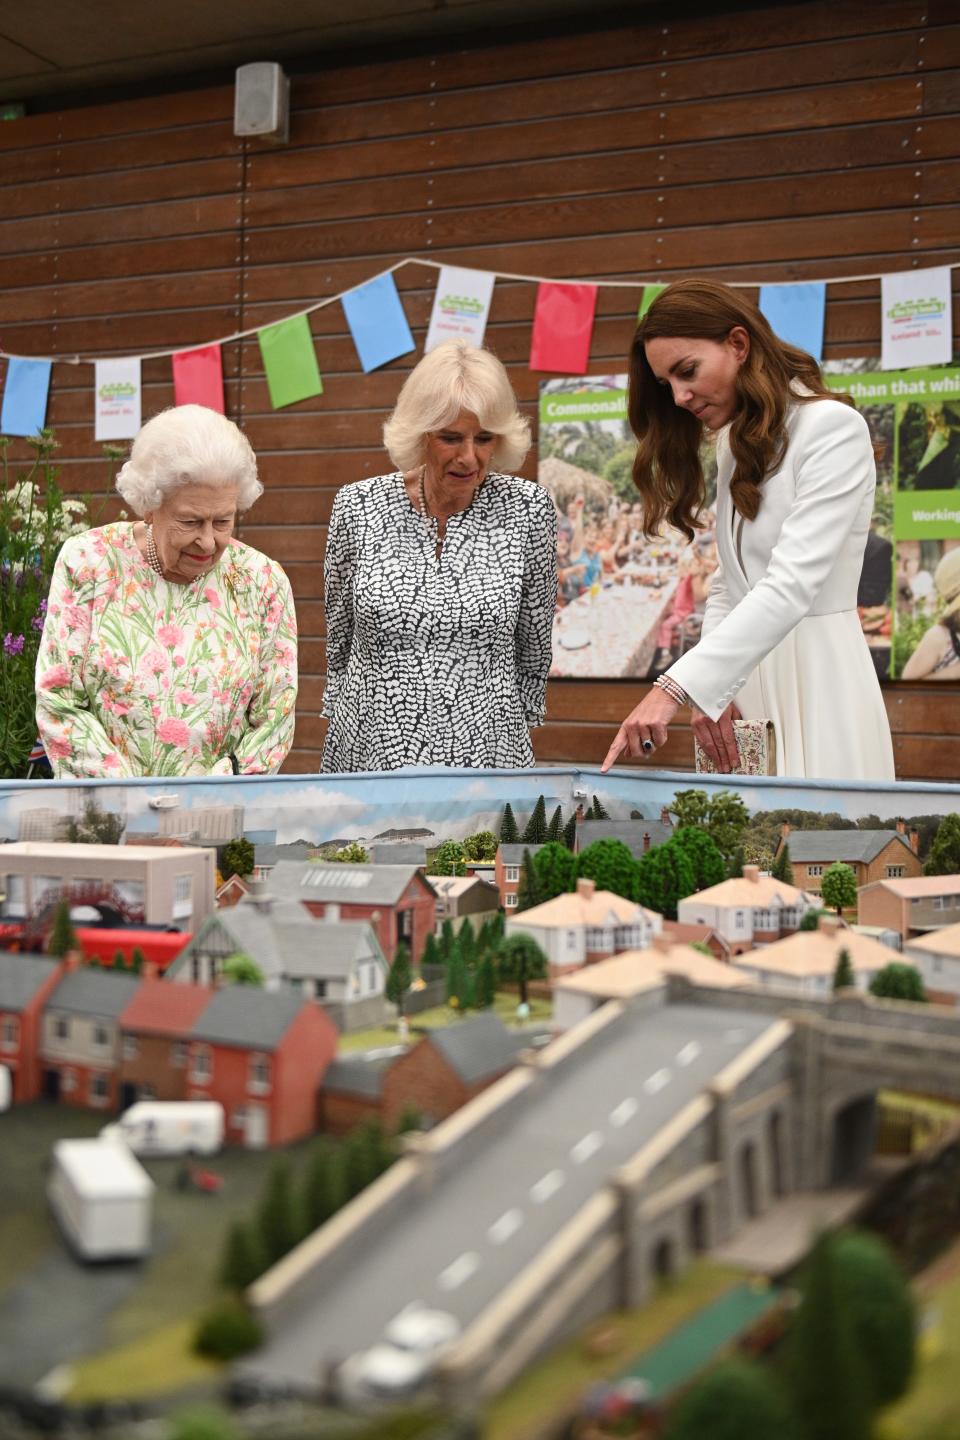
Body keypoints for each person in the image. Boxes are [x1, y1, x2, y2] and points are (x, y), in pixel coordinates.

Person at [601, 278, 894, 780]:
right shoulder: (731, 442)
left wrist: (673, 687)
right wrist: (716, 689)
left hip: (819, 677)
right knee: (750, 847)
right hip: (747, 687)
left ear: (739, 344)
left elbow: (790, 585)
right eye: (666, 383)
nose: (678, 396)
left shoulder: (831, 428)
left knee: (819, 843)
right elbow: (729, 582)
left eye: (686, 371)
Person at [322, 340, 556, 771]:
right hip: (369, 748)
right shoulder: (358, 505)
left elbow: (534, 645)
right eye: (451, 438)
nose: (469, 457)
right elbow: (339, 640)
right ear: (420, 433)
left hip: (486, 753)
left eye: (484, 438)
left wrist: (510, 728)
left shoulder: (528, 508)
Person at [36, 405, 297, 777]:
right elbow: (59, 699)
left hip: (218, 818)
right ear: (149, 506)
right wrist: (133, 804)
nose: (208, 542)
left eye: (223, 521)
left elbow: (275, 719)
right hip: (107, 814)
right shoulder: (89, 563)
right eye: (190, 521)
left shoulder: (262, 581)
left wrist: (203, 804)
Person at [901, 547, 960, 681]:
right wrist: (954, 672)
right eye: (910, 563)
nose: (913, 565)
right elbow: (907, 688)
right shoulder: (940, 637)